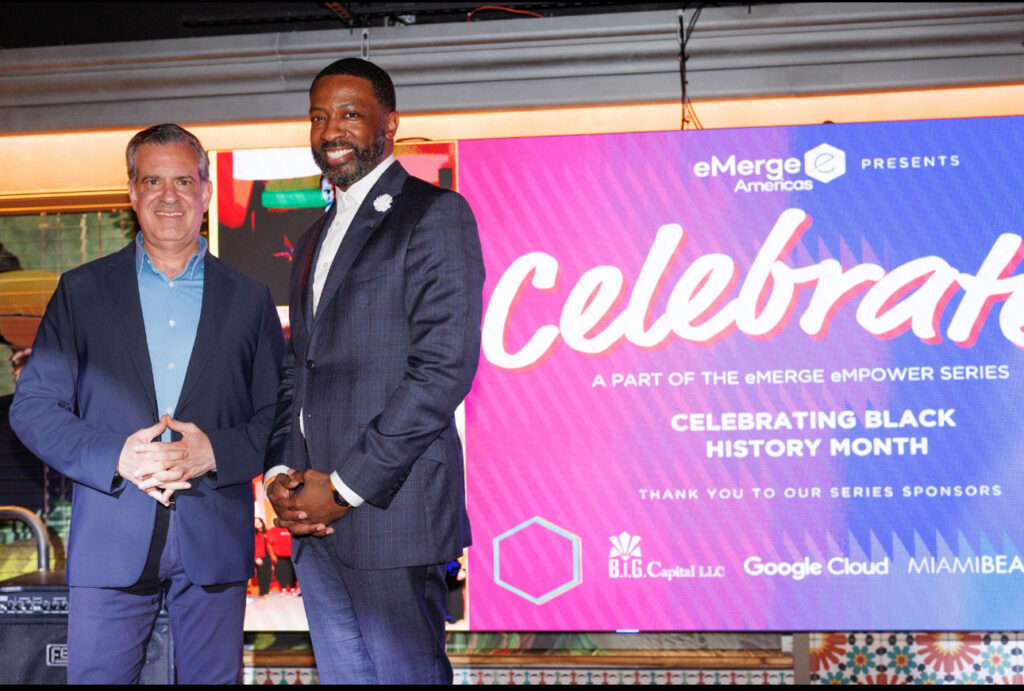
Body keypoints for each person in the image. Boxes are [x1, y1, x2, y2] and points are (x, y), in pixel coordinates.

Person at [10, 123, 285, 684]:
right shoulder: (82, 291)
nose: (169, 196)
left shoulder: (250, 298)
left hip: (214, 539)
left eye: (184, 180)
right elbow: (33, 406)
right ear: (131, 192)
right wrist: (119, 455)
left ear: (206, 191)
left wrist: (215, 452)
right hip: (110, 540)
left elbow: (277, 416)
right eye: (152, 181)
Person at [263, 57, 484, 685]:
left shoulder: (435, 214)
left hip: (391, 512)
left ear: (389, 123)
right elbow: (297, 373)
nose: (330, 129)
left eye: (349, 113)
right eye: (318, 116)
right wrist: (283, 472)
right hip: (313, 519)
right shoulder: (310, 240)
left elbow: (443, 370)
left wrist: (342, 488)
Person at [254, 517, 276, 597]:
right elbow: (251, 547)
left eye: (259, 522)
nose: (257, 523)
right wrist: (256, 558)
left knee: (268, 574)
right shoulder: (252, 534)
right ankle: (263, 592)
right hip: (259, 556)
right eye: (255, 522)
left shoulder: (266, 532)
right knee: (262, 575)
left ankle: (266, 590)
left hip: (267, 555)